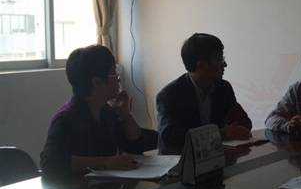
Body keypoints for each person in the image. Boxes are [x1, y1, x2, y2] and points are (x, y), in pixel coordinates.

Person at [40, 45, 157, 177]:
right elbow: (50, 163)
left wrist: (126, 115)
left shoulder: (107, 112)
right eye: (114, 73)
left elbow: (137, 145)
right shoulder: (65, 119)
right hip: (77, 188)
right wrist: (107, 162)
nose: (118, 78)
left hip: (105, 186)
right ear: (97, 82)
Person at [156, 33, 252, 155]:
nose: (225, 64)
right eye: (219, 59)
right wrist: (221, 134)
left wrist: (235, 130)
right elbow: (171, 138)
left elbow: (245, 123)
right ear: (201, 65)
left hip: (214, 157)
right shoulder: (169, 95)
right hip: (179, 161)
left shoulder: (223, 88)